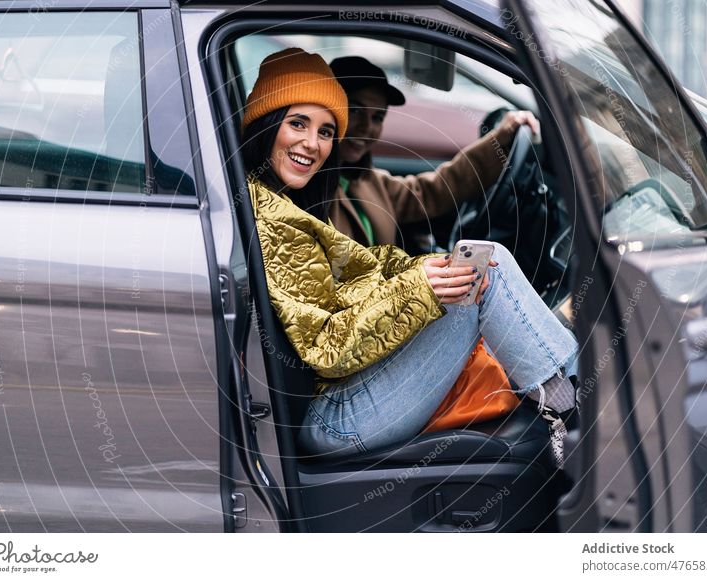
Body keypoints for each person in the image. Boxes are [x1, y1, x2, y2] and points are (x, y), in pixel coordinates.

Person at [241, 48, 577, 462]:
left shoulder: (302, 196)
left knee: (480, 268)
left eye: (326, 131)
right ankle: (579, 406)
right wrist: (420, 287)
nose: (312, 143)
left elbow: (376, 261)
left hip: (345, 391)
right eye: (297, 123)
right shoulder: (275, 218)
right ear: (267, 123)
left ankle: (571, 395)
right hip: (331, 415)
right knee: (490, 272)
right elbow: (327, 347)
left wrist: (428, 270)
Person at [327, 55, 539, 247]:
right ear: (327, 109)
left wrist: (498, 141)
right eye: (355, 110)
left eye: (377, 117)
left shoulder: (366, 179)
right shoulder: (308, 188)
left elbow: (431, 191)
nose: (367, 127)